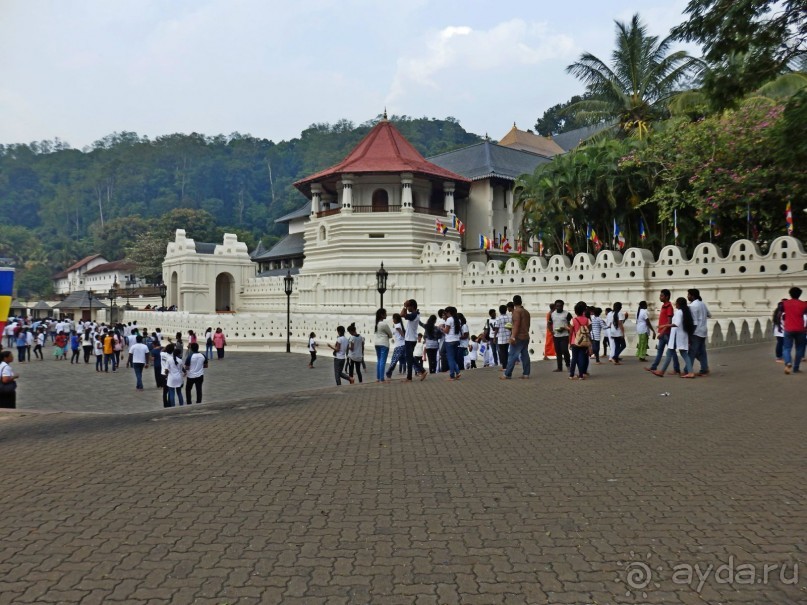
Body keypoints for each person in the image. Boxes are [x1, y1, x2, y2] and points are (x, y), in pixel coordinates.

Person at [652, 297, 695, 378]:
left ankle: (662, 371)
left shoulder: (679, 312)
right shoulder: (685, 312)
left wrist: (664, 325)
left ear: (679, 304)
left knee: (669, 353)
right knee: (684, 354)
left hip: (677, 335)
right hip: (681, 335)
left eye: (676, 303)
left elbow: (676, 324)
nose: (675, 304)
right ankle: (690, 372)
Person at [646, 289, 680, 375]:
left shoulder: (669, 307)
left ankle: (676, 369)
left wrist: (662, 332)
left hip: (666, 333)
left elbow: (669, 322)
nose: (660, 297)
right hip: (663, 332)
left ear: (667, 297)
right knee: (660, 351)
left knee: (671, 351)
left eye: (662, 296)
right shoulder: (664, 306)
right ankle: (654, 367)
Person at [501, 295, 531, 380]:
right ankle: (526, 374)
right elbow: (527, 325)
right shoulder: (526, 312)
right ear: (521, 301)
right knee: (525, 355)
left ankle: (507, 374)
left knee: (512, 355)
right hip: (526, 336)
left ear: (514, 303)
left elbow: (516, 325)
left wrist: (513, 337)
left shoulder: (516, 312)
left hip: (518, 337)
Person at [781, 286, 807, 374]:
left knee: (787, 348)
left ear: (790, 294)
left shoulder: (784, 303)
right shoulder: (804, 304)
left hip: (788, 328)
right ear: (800, 294)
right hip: (800, 329)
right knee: (799, 348)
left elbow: (780, 312)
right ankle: (796, 368)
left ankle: (788, 362)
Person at [687, 289, 711, 376]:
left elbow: (694, 322)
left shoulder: (693, 306)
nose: (688, 296)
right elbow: (709, 315)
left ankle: (688, 369)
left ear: (692, 296)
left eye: (689, 295)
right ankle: (704, 369)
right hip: (704, 330)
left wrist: (690, 333)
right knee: (702, 351)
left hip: (696, 331)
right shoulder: (702, 304)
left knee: (692, 352)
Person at [401, 299, 426, 381]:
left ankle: (411, 376)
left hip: (410, 339)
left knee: (409, 358)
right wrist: (406, 306)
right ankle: (421, 371)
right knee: (410, 357)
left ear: (412, 306)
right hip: (411, 338)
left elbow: (402, 314)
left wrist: (404, 306)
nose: (407, 308)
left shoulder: (414, 315)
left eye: (408, 306)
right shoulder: (415, 314)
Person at [568, 301, 592, 380]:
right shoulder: (587, 320)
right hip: (583, 342)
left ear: (575, 311)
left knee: (574, 358)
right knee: (581, 358)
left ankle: (571, 375)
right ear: (584, 311)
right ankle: (581, 375)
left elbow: (571, 332)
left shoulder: (573, 320)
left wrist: (569, 343)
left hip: (574, 342)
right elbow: (589, 331)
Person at [550, 299, 571, 372]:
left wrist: (566, 329)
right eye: (557, 306)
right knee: (558, 352)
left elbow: (570, 324)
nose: (558, 307)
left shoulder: (567, 314)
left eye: (560, 306)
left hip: (564, 335)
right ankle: (559, 367)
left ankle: (568, 365)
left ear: (563, 306)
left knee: (565, 350)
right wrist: (551, 331)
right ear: (555, 306)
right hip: (556, 335)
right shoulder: (552, 314)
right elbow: (549, 323)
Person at [442, 306, 462, 380]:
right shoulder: (458, 320)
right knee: (452, 358)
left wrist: (441, 328)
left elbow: (446, 331)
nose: (446, 314)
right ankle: (457, 372)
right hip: (456, 340)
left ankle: (452, 375)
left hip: (449, 340)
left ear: (449, 312)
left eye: (446, 312)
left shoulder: (449, 319)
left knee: (450, 359)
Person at [373, 309, 393, 382]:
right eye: (385, 313)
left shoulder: (377, 324)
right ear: (382, 315)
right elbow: (390, 335)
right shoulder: (384, 324)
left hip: (377, 343)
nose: (386, 315)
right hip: (384, 343)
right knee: (382, 361)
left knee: (379, 360)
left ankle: (378, 378)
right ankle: (382, 378)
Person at [385, 313, 406, 380]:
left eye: (393, 318)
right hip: (402, 345)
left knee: (394, 360)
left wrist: (405, 338)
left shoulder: (397, 325)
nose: (392, 320)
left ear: (396, 319)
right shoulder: (400, 325)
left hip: (399, 346)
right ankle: (420, 370)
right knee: (409, 359)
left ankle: (388, 373)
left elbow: (401, 333)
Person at [495, 304, 511, 371]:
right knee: (506, 352)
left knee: (502, 352)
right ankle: (507, 365)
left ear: (499, 311)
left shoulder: (498, 318)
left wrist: (494, 337)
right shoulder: (509, 317)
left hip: (501, 338)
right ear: (506, 310)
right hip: (508, 337)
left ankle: (504, 367)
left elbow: (496, 328)